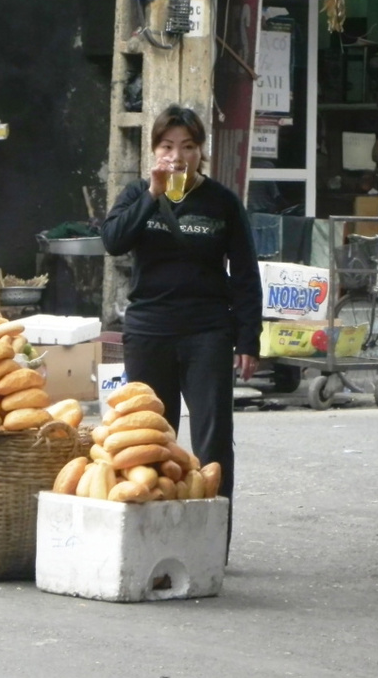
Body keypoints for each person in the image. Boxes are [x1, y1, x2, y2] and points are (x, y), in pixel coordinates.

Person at [102, 104, 263, 551]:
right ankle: (153, 538)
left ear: (201, 152)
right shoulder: (138, 193)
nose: (178, 156)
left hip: (207, 331)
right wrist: (154, 193)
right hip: (149, 329)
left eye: (188, 147)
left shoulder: (221, 202)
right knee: (152, 436)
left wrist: (249, 338)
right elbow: (113, 241)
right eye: (168, 146)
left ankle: (213, 543)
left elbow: (246, 273)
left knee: (213, 437)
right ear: (154, 152)